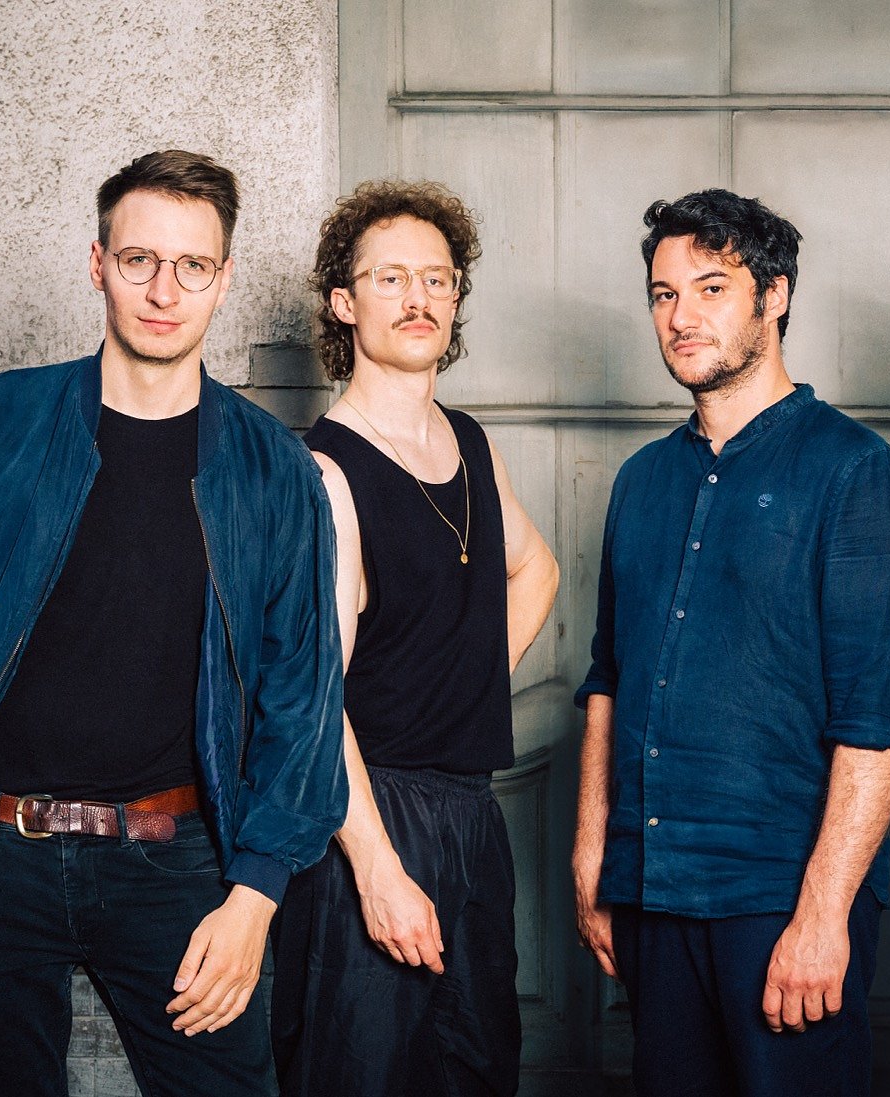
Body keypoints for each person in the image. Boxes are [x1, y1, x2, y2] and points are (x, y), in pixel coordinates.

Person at [0, 149, 347, 1097]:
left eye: (192, 265)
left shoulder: (273, 471)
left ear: (224, 278)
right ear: (97, 264)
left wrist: (253, 898)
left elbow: (302, 705)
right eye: (139, 260)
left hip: (175, 859)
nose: (164, 291)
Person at [572, 188, 890, 1096]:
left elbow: (878, 723)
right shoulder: (641, 480)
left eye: (711, 288)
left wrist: (824, 912)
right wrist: (593, 855)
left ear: (774, 295)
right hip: (652, 889)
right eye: (664, 294)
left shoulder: (856, 473)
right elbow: (608, 678)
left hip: (781, 898)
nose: (681, 316)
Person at [270, 180, 559, 1096]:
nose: (418, 297)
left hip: (470, 814)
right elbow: (314, 701)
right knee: (359, 1075)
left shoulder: (469, 441)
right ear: (344, 303)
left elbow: (537, 570)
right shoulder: (326, 471)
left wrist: (460, 686)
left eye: (437, 278)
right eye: (390, 278)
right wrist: (378, 870)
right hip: (370, 815)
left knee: (476, 1070)